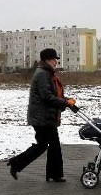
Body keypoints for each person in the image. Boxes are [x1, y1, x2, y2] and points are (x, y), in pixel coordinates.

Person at [7, 48, 76, 182]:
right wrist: (65, 102)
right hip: (42, 118)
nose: (56, 62)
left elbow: (54, 95)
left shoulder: (47, 73)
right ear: (47, 60)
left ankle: (53, 173)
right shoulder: (42, 74)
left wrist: (66, 101)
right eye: (54, 59)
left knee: (48, 145)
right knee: (47, 145)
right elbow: (47, 97)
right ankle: (18, 164)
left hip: (46, 117)